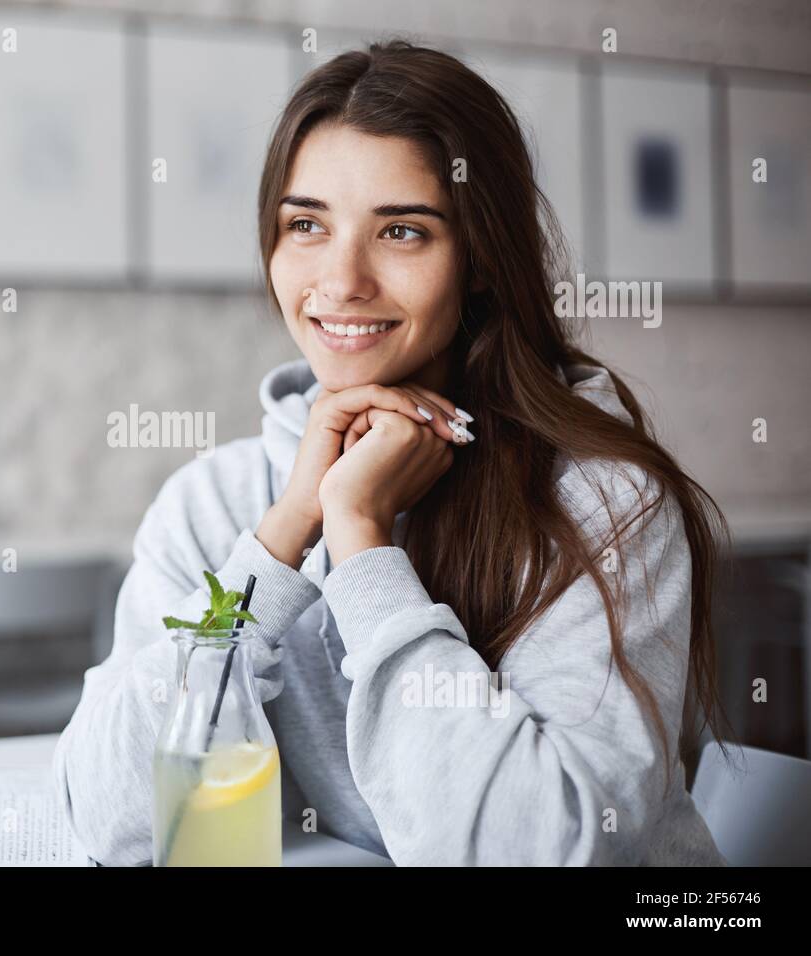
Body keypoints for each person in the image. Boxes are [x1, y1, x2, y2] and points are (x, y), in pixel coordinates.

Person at [53, 39, 733, 866]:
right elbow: (112, 820)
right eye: (306, 225)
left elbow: (550, 851)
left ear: (479, 260)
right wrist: (283, 539)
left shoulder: (605, 503)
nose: (340, 281)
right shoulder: (217, 502)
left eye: (402, 232)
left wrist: (363, 540)